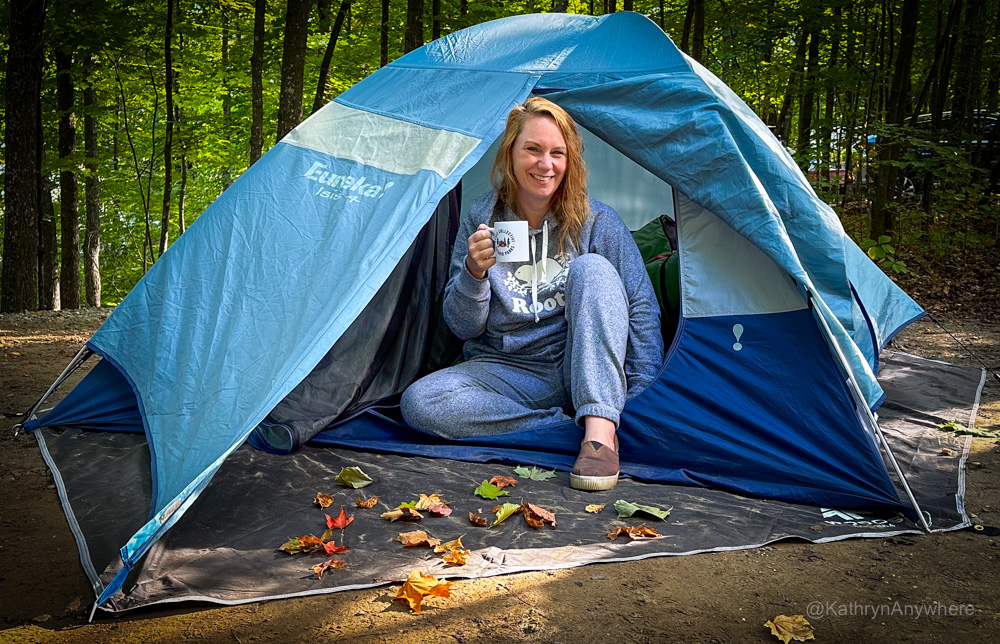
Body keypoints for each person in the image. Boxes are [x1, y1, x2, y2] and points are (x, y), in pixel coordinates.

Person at [401, 97, 663, 491]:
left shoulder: (598, 221)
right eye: (533, 150)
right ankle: (566, 430)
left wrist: (645, 393)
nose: (546, 165)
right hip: (506, 372)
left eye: (558, 153)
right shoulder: (482, 217)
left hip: (580, 364)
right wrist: (473, 274)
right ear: (510, 152)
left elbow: (641, 305)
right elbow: (463, 328)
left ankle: (599, 431)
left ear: (570, 160)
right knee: (421, 403)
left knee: (592, 268)